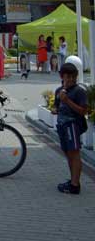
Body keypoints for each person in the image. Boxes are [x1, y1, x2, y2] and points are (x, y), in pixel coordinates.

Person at [52, 57, 89, 194]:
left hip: (72, 125)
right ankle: (73, 180)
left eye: (73, 77)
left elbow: (83, 111)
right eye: (67, 77)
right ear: (62, 76)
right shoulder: (59, 91)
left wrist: (67, 101)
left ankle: (75, 185)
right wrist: (55, 109)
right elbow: (57, 107)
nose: (70, 80)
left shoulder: (79, 91)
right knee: (68, 154)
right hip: (62, 125)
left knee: (74, 153)